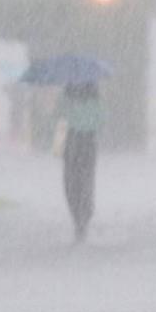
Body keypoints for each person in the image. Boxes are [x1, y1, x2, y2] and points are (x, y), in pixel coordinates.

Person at [53, 81, 103, 243]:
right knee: (85, 182)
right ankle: (83, 216)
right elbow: (100, 122)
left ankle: (78, 216)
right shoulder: (95, 101)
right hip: (86, 144)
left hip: (73, 144)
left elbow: (59, 122)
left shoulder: (66, 101)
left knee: (71, 183)